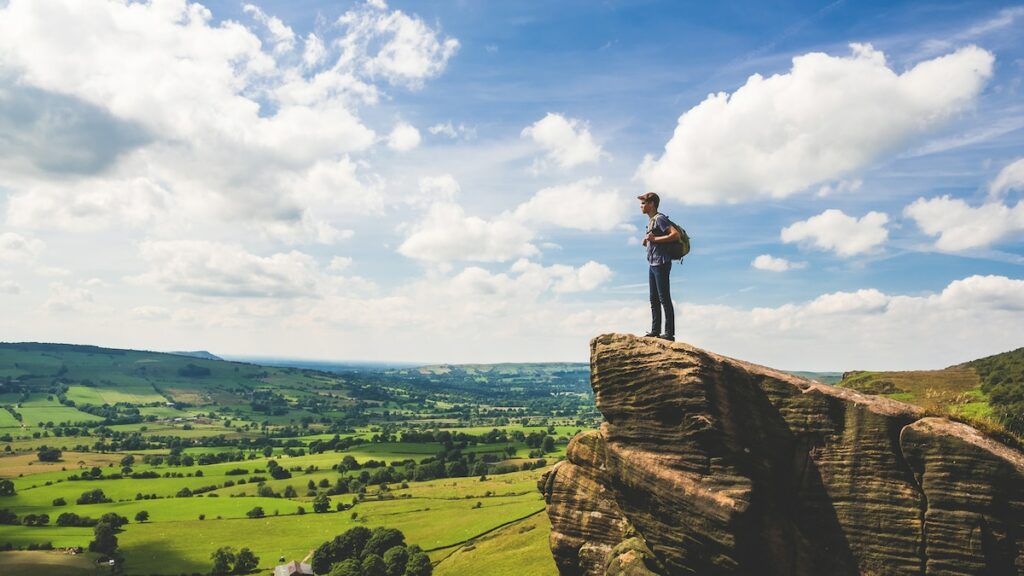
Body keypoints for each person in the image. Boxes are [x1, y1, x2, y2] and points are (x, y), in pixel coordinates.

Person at [638, 192, 679, 342]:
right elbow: (652, 240)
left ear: (652, 204)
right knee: (653, 299)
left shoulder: (660, 218)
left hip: (661, 263)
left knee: (664, 298)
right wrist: (647, 240)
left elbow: (675, 235)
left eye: (643, 203)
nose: (641, 206)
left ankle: (669, 333)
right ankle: (655, 331)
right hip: (652, 263)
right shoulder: (651, 221)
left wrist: (655, 238)